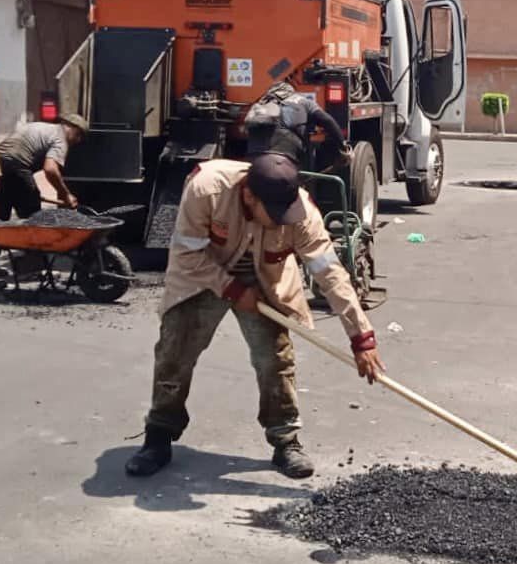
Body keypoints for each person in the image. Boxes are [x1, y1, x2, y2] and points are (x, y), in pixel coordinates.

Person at [125, 153, 384, 480]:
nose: (280, 221)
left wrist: (361, 337)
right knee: (174, 351)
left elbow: (329, 272)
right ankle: (159, 435)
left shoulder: (299, 212)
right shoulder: (206, 189)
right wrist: (232, 290)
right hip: (203, 275)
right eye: (273, 214)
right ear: (249, 195)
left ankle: (285, 440)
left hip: (267, 281)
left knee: (275, 359)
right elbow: (188, 253)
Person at [0, 114, 90, 281]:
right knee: (34, 219)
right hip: (16, 164)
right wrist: (65, 194)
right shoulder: (60, 138)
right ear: (72, 129)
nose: (76, 142)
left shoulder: (42, 127)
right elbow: (50, 169)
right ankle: (32, 268)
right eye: (78, 137)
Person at [244, 81, 350, 170]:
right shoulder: (304, 102)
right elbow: (328, 121)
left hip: (254, 162)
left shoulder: (260, 105)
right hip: (286, 161)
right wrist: (343, 148)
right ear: (291, 92)